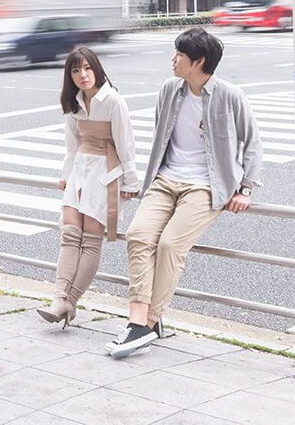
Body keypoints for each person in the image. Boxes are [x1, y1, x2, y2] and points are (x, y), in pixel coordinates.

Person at [108, 28, 263, 358]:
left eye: (179, 54)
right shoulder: (169, 89)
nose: (173, 59)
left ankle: (146, 324)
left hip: (206, 185)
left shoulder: (230, 95)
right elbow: (161, 134)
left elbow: (253, 143)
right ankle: (140, 322)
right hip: (165, 179)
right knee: (138, 235)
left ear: (199, 61)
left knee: (170, 245)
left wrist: (246, 188)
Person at [36, 46, 140, 327]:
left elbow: (126, 145)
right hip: (80, 171)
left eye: (87, 68)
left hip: (104, 173)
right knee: (69, 235)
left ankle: (70, 302)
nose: (83, 75)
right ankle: (59, 299)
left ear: (97, 68)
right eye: (75, 70)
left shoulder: (113, 101)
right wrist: (66, 175)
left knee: (91, 241)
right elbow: (72, 146)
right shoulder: (74, 103)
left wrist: (130, 181)